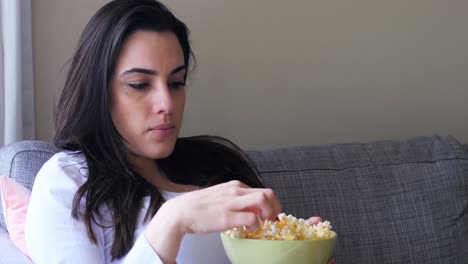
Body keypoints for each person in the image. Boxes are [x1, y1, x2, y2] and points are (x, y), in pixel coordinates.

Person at [25, 1, 333, 263]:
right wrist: (171, 222)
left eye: (176, 82)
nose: (166, 103)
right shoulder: (68, 181)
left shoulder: (218, 163)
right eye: (139, 85)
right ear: (98, 92)